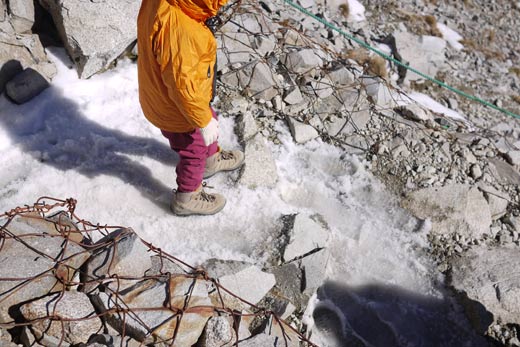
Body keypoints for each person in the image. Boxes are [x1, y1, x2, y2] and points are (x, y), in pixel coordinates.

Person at [137, 0, 245, 216]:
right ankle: (187, 197)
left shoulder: (171, 7)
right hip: (176, 109)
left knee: (209, 117)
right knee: (193, 149)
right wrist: (202, 120)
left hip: (168, 98)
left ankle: (211, 158)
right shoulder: (181, 30)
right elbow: (182, 86)